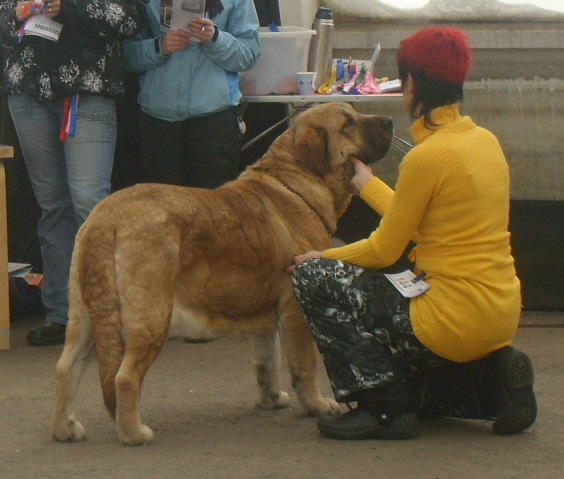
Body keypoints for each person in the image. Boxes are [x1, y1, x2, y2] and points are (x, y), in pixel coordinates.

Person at [288, 26, 537, 440]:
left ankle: (381, 409)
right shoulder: (484, 142)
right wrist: (367, 185)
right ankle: (491, 386)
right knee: (410, 383)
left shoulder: (428, 156)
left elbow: (386, 248)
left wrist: (321, 257)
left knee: (314, 279)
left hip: (449, 319)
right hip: (500, 313)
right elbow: (424, 219)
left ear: (412, 84)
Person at [0, 0, 146, 345]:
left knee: (90, 202)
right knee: (53, 206)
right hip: (26, 93)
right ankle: (61, 316)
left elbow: (131, 19)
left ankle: (111, 315)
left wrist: (69, 7)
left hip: (87, 91)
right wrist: (17, 14)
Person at [122, 0, 260, 188]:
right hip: (159, 119)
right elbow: (126, 56)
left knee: (214, 210)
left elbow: (249, 55)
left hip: (215, 120)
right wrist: (160, 47)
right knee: (166, 210)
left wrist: (215, 38)